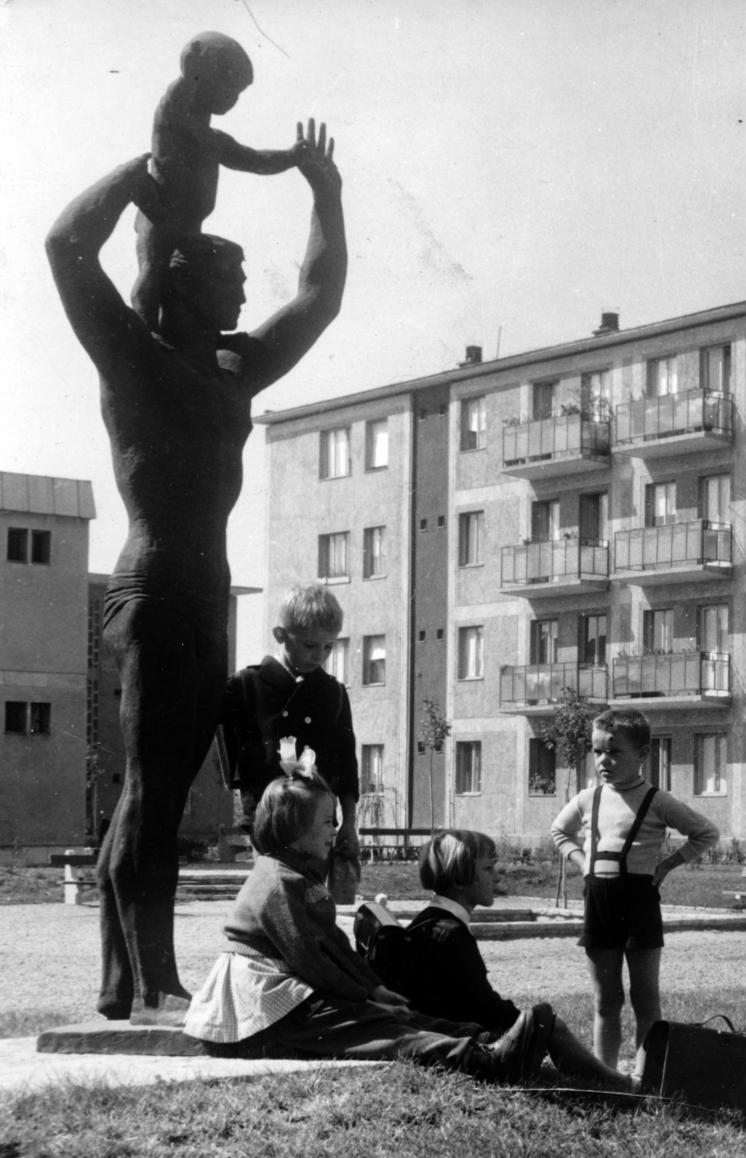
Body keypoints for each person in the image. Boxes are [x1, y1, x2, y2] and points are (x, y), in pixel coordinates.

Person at [46, 116, 345, 1023]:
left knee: (164, 785)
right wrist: (134, 174)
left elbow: (318, 298)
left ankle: (121, 982)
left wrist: (324, 192)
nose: (246, 286)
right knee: (153, 785)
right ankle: (150, 977)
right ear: (183, 278)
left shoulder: (231, 370)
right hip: (157, 586)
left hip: (202, 595)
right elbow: (66, 245)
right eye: (229, 273)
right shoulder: (135, 359)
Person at [183, 772, 549, 1083]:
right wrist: (361, 997)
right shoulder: (277, 881)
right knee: (377, 1029)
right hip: (262, 1006)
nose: (335, 830)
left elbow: (336, 945)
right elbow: (309, 959)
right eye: (327, 822)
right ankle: (486, 1059)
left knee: (386, 1015)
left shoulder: (298, 875)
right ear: (293, 828)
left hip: (285, 997)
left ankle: (486, 1040)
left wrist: (374, 987)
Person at [389, 829, 633, 1091]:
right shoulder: (451, 933)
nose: (496, 877)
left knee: (540, 1021)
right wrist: (530, 1025)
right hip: (458, 1039)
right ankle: (617, 1084)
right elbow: (484, 1006)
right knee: (545, 1020)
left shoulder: (428, 922)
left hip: (436, 1030)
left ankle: (601, 1077)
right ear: (460, 879)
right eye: (488, 868)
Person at [550, 708, 719, 1071]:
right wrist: (583, 864)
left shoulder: (657, 800)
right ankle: (605, 1073)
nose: (603, 760)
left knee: (645, 999)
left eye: (614, 751)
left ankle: (645, 1076)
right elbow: (559, 831)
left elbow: (705, 833)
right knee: (605, 999)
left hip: (639, 903)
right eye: (597, 751)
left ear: (642, 755)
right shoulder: (587, 798)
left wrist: (667, 865)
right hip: (599, 901)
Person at [132, 31, 301, 327]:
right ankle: (145, 333)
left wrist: (293, 156)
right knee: (154, 274)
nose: (233, 98)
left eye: (238, 92)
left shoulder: (215, 140)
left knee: (185, 288)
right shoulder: (173, 118)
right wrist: (193, 73)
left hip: (191, 222)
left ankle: (177, 337)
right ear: (203, 75)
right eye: (229, 85)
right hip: (161, 218)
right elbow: (178, 93)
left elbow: (257, 161)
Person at [221, 584, 360, 892]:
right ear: (280, 635)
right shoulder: (247, 685)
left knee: (312, 898)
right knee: (275, 893)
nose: (319, 655)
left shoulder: (333, 693)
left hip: (318, 820)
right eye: (310, 645)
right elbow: (236, 762)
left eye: (328, 647)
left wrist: (349, 821)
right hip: (268, 817)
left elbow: (346, 765)